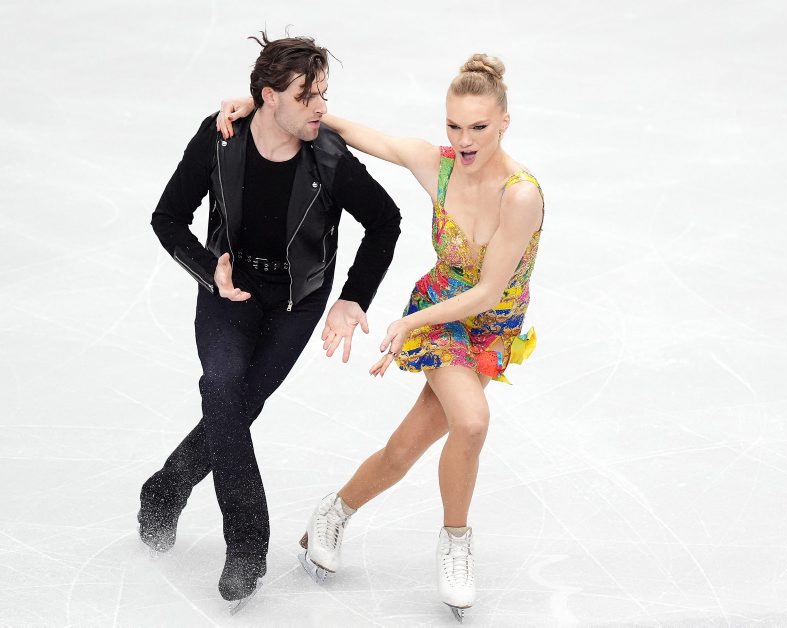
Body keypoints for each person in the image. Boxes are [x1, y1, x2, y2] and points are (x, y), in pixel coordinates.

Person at [218, 53, 543, 619]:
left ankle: (334, 512)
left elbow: (491, 292)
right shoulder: (438, 165)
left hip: (490, 326)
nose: (464, 140)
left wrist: (404, 324)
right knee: (470, 422)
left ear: (505, 123)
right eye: (454, 125)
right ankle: (456, 545)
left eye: (478, 127)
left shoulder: (520, 195)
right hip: (441, 317)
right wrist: (261, 107)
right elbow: (362, 135)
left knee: (404, 449)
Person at [141, 31, 402, 610]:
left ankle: (166, 486)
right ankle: (247, 545)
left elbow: (386, 220)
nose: (321, 107)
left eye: (324, 94)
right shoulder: (220, 138)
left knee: (238, 404)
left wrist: (352, 298)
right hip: (229, 289)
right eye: (308, 96)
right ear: (269, 97)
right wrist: (210, 272)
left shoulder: (328, 156)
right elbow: (168, 217)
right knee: (222, 387)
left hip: (296, 300)